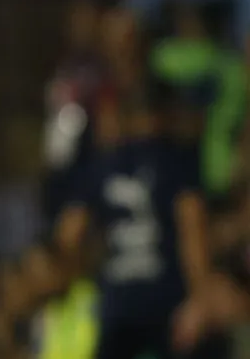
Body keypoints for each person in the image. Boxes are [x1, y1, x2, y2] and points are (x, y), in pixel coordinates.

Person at [55, 78, 222, 359]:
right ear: (166, 113)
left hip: (117, 300)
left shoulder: (102, 167)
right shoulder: (179, 161)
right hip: (168, 299)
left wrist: (85, 278)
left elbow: (69, 234)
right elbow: (192, 226)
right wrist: (199, 298)